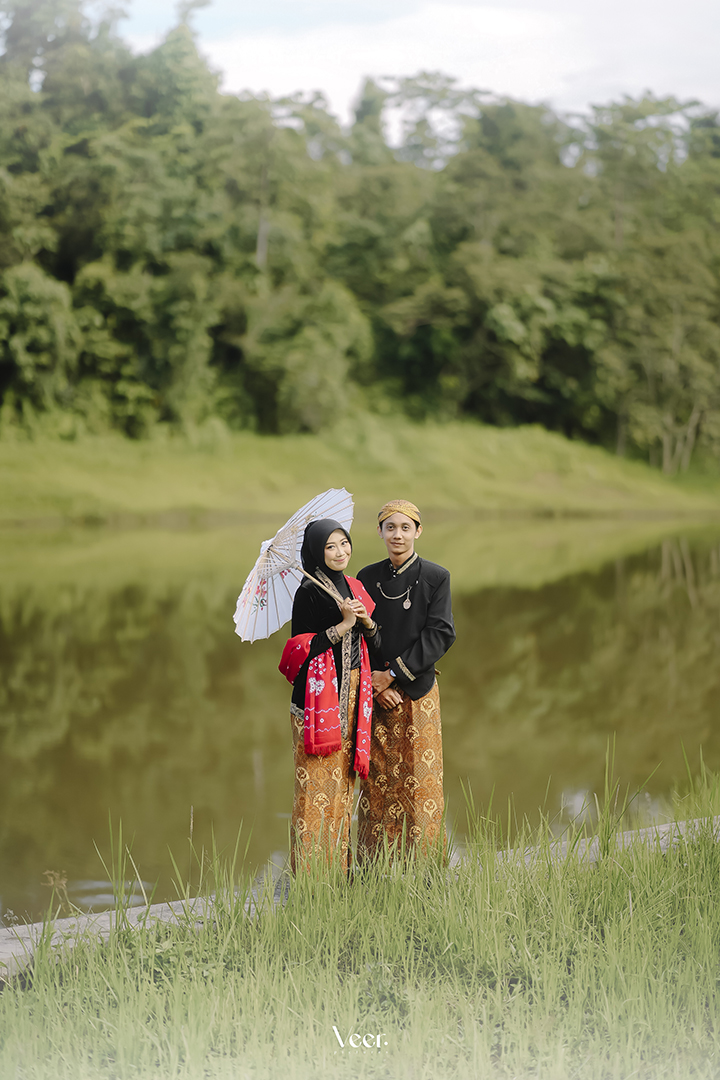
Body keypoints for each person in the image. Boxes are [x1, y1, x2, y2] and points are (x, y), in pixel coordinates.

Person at [278, 518, 380, 873]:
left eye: (344, 543)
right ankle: (309, 876)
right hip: (316, 701)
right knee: (315, 787)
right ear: (316, 551)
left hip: (352, 698)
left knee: (342, 787)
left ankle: (339, 870)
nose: (340, 552)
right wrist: (343, 626)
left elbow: (376, 644)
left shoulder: (354, 587)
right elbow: (300, 653)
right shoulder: (308, 592)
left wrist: (367, 623)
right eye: (330, 546)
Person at [356, 499, 455, 860]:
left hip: (417, 691)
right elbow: (359, 636)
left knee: (420, 783)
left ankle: (425, 870)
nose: (397, 535)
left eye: (405, 527)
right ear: (380, 532)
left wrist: (392, 675)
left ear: (418, 531)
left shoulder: (436, 577)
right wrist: (375, 683)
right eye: (390, 527)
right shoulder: (366, 578)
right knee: (377, 783)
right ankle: (373, 867)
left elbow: (440, 635)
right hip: (375, 694)